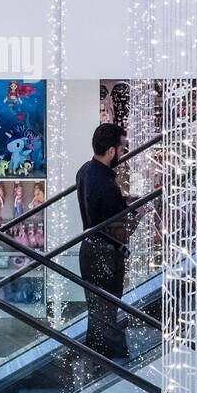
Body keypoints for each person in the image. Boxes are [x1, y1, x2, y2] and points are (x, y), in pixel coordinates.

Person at [74, 123, 140, 360]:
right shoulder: (107, 185)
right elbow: (119, 232)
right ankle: (113, 363)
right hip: (106, 255)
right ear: (111, 151)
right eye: (122, 149)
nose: (122, 154)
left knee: (97, 313)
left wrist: (123, 203)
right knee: (108, 312)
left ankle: (96, 359)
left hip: (89, 250)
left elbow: (100, 210)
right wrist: (137, 213)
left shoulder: (84, 171)